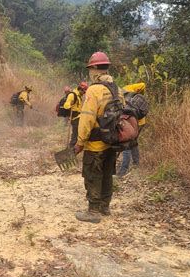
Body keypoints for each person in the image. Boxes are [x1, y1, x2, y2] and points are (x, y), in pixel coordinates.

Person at [74, 52, 125, 223]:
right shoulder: (117, 89)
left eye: (90, 68)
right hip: (112, 141)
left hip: (95, 144)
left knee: (93, 174)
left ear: (95, 69)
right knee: (107, 174)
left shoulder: (94, 90)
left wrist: (80, 141)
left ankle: (93, 211)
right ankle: (105, 206)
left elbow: (87, 117)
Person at [118, 82, 147, 177]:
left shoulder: (119, 95)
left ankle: (123, 171)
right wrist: (139, 95)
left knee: (127, 144)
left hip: (131, 122)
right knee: (133, 142)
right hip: (140, 122)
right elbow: (143, 85)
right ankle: (136, 163)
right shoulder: (129, 88)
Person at [63, 82, 88, 148]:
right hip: (74, 118)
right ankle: (71, 148)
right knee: (75, 134)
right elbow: (66, 105)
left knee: (77, 133)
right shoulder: (72, 95)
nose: (84, 93)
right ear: (81, 89)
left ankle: (72, 147)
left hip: (78, 117)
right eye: (84, 92)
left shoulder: (78, 95)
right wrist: (70, 104)